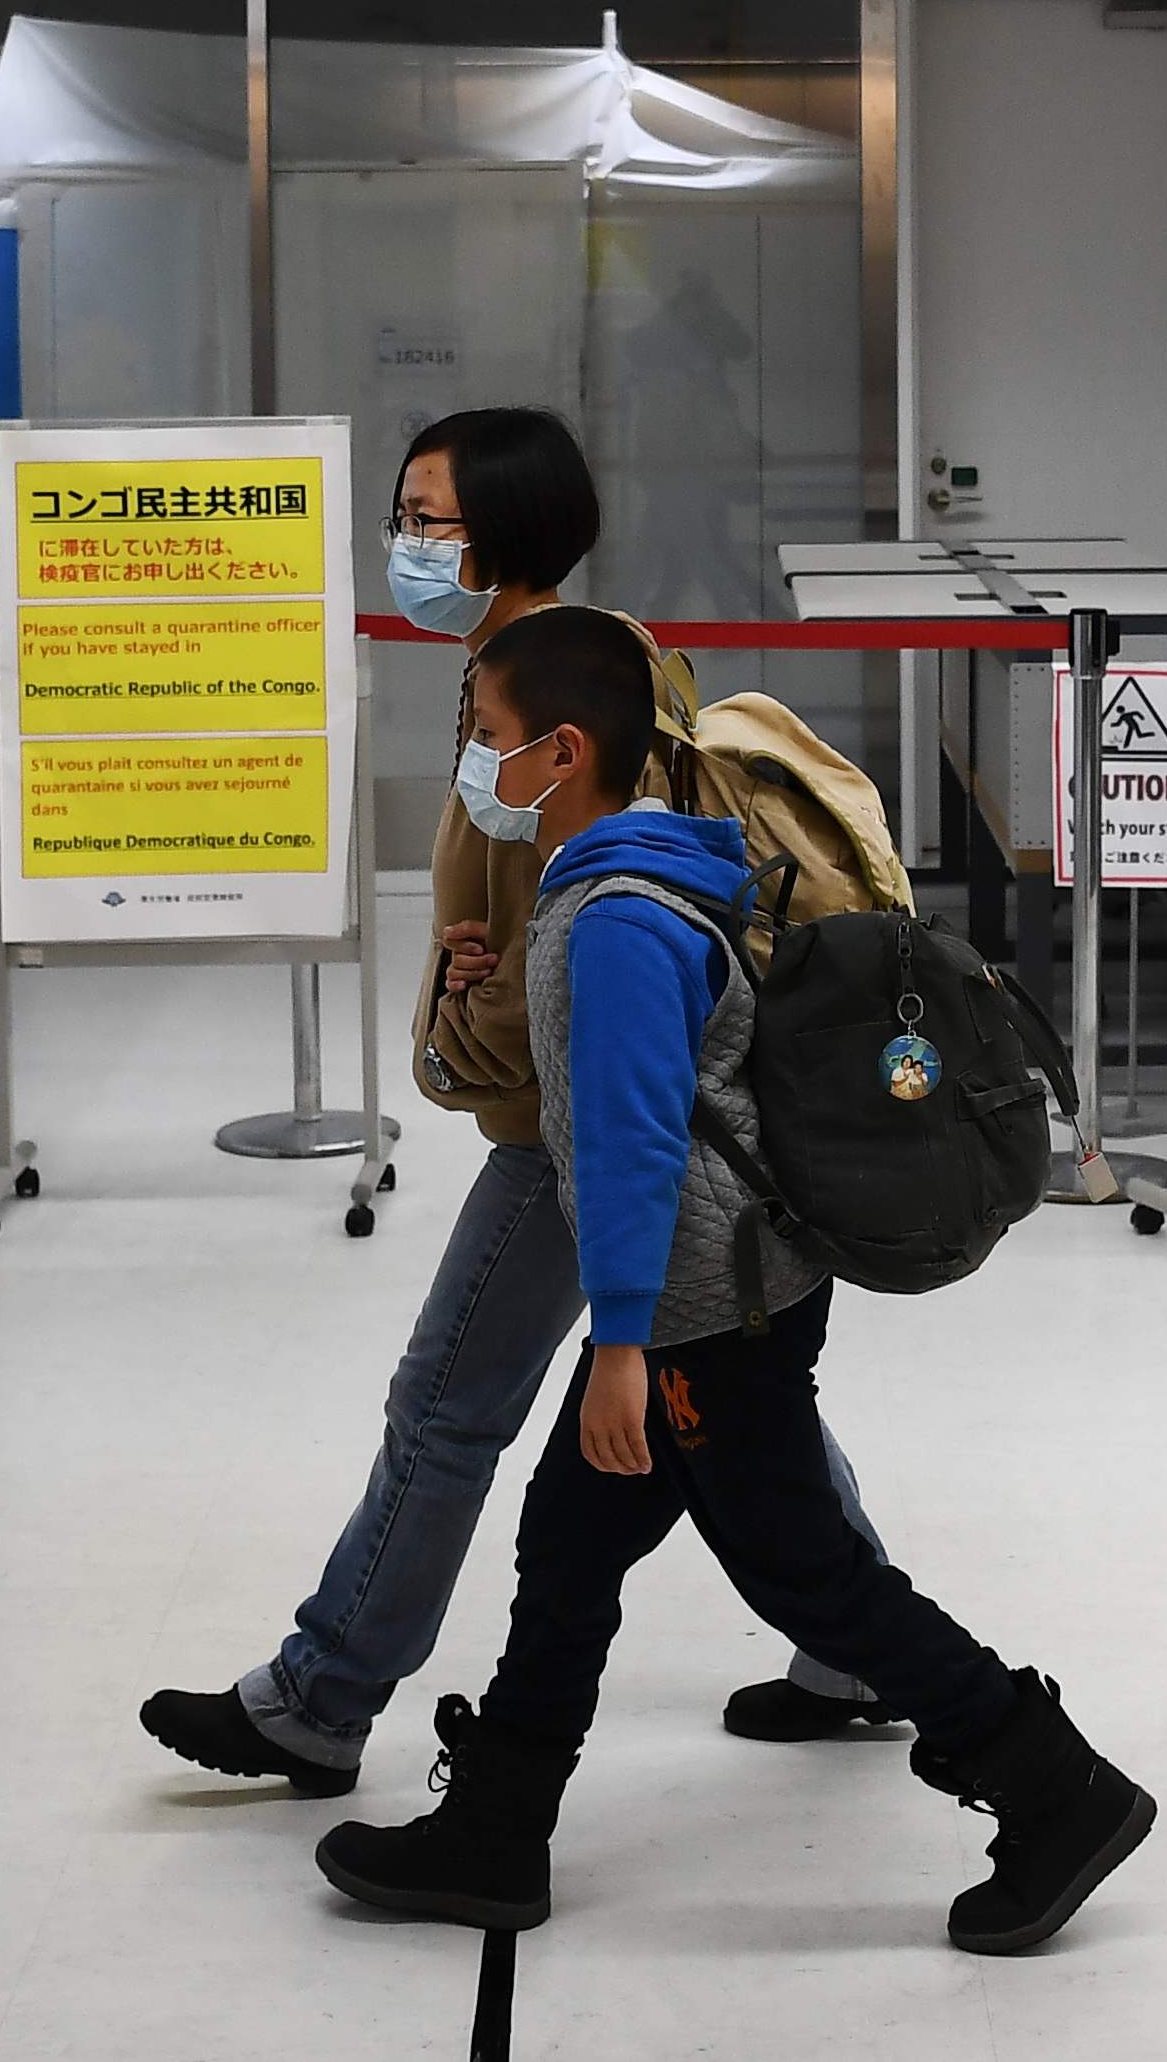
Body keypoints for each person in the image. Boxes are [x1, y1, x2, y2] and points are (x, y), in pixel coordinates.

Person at [316, 606, 1156, 1955]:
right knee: (572, 1537)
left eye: (489, 736)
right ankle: (499, 1823)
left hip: (706, 1308)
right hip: (722, 1287)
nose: (474, 761)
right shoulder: (637, 875)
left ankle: (1055, 1782)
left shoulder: (616, 919)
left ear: (564, 750)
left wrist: (627, 1342)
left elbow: (639, 1136)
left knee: (806, 1570)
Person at [137, 408, 892, 1793]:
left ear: (506, 521)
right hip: (565, 1096)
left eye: (430, 516)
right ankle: (864, 1647)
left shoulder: (578, 677)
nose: (408, 540)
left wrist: (482, 1002)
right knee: (749, 1399)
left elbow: (622, 912)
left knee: (448, 1400)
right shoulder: (530, 662)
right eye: (407, 514)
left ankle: (323, 1691)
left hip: (583, 1120)